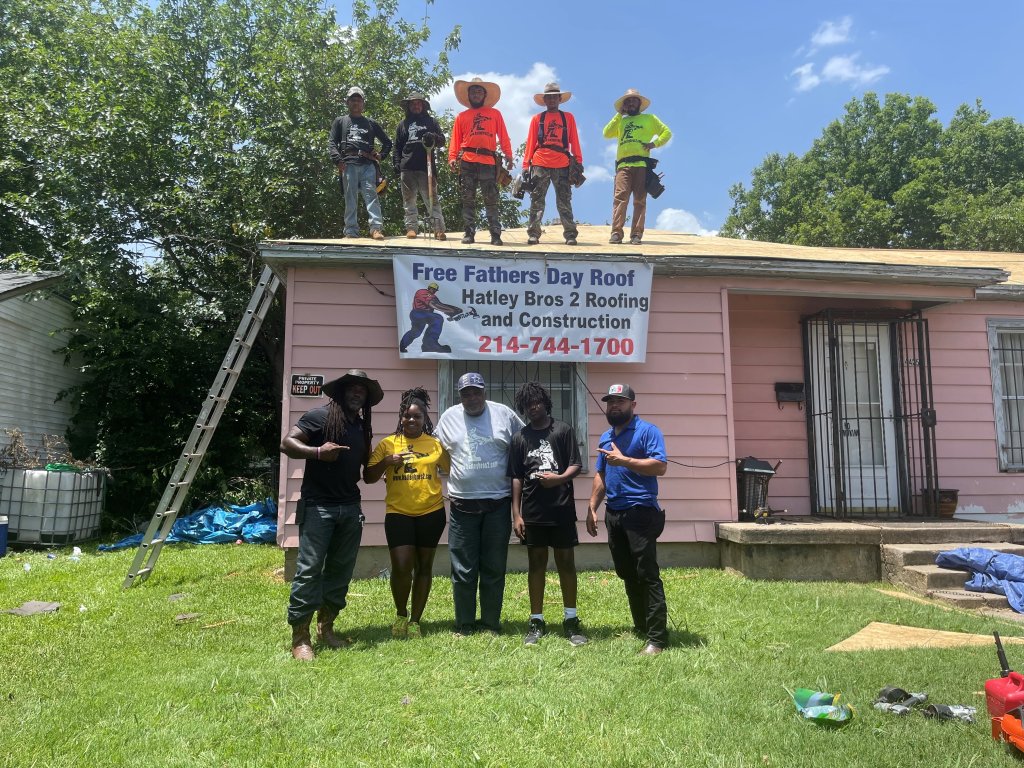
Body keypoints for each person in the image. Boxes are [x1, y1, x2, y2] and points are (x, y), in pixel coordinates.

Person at [280, 369, 383, 660]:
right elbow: (287, 443)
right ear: (340, 392)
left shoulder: (362, 427)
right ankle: (300, 637)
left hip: (351, 507)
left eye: (361, 391)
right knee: (310, 570)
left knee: (340, 571)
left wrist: (387, 463)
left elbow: (368, 475)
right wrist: (316, 452)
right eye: (351, 388)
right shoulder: (320, 417)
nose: (356, 393)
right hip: (318, 506)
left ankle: (327, 627)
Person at [434, 372, 524, 634]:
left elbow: (523, 442)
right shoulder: (448, 417)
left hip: (498, 503)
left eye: (476, 392)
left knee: (494, 567)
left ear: (484, 392)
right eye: (465, 393)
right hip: (462, 506)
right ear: (459, 395)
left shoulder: (503, 414)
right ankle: (464, 624)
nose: (471, 398)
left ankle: (490, 623)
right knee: (462, 568)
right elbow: (431, 450)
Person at [585, 383, 669, 656]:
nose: (614, 406)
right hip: (615, 514)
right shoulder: (606, 437)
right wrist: (592, 506)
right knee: (627, 573)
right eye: (610, 402)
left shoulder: (648, 431)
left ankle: (657, 638)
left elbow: (660, 466)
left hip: (641, 512)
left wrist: (626, 461)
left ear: (633, 405)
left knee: (647, 575)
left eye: (620, 401)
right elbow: (601, 474)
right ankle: (641, 626)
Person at [365, 388, 450, 639]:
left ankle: (415, 621)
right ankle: (401, 614)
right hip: (398, 513)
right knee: (402, 567)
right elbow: (368, 478)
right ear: (400, 417)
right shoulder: (388, 444)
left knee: (424, 567)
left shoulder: (435, 445)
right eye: (407, 416)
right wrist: (387, 462)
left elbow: (454, 469)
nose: (411, 421)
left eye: (417, 417)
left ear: (425, 420)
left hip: (432, 512)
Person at [508, 382, 586, 646]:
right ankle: (537, 619)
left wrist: (558, 479)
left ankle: (571, 619)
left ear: (545, 402)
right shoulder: (520, 437)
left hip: (561, 508)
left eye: (537, 401)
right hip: (532, 512)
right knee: (536, 565)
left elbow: (577, 464)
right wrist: (516, 514)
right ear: (523, 407)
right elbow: (517, 477)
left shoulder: (562, 430)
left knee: (566, 563)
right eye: (528, 403)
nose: (533, 407)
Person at [602, 88, 672, 245]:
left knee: (639, 200)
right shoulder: (621, 121)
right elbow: (606, 133)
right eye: (628, 101)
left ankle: (636, 235)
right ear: (624, 105)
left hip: (641, 164)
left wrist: (654, 144)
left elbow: (666, 132)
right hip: (623, 165)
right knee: (620, 198)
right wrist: (619, 114)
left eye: (634, 100)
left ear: (639, 103)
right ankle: (616, 233)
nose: (631, 103)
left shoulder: (649, 119)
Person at [448, 77, 513, 246]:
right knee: (467, 198)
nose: (476, 94)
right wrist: (452, 157)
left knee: (491, 199)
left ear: (484, 94)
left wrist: (508, 155)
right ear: (468, 95)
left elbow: (504, 136)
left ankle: (495, 235)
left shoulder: (495, 114)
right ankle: (469, 233)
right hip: (468, 160)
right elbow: (455, 140)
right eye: (473, 91)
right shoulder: (461, 117)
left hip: (488, 161)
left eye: (479, 91)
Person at [328, 86, 394, 241]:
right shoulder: (340, 121)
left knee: (371, 196)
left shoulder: (370, 123)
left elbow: (387, 142)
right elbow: (332, 143)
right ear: (347, 102)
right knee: (350, 198)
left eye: (359, 100)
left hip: (368, 165)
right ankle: (351, 231)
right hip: (348, 164)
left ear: (363, 103)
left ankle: (376, 229)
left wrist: (380, 155)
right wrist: (337, 159)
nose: (356, 103)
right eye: (353, 100)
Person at [523, 83, 583, 246]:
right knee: (537, 200)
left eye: (554, 96)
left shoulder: (568, 118)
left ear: (559, 99)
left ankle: (570, 234)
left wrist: (578, 162)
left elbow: (574, 141)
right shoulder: (537, 119)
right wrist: (525, 165)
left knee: (564, 200)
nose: (551, 99)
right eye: (548, 97)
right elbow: (530, 143)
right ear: (545, 100)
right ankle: (534, 234)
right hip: (540, 162)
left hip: (562, 163)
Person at [393, 91, 447, 240]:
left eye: (418, 103)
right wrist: (396, 163)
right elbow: (397, 147)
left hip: (426, 166)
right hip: (407, 166)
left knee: (432, 199)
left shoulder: (431, 122)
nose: (416, 106)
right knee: (409, 200)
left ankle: (438, 229)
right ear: (408, 106)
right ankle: (411, 228)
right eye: (413, 103)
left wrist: (434, 137)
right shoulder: (403, 124)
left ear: (423, 105)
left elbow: (442, 141)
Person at [399, 281, 461, 354]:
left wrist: (454, 310)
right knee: (438, 318)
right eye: (432, 289)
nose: (434, 291)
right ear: (429, 288)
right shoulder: (422, 292)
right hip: (418, 313)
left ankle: (402, 346)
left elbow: (440, 305)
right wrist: (451, 310)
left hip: (425, 316)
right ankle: (429, 344)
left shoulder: (434, 297)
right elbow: (433, 304)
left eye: (435, 290)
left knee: (416, 332)